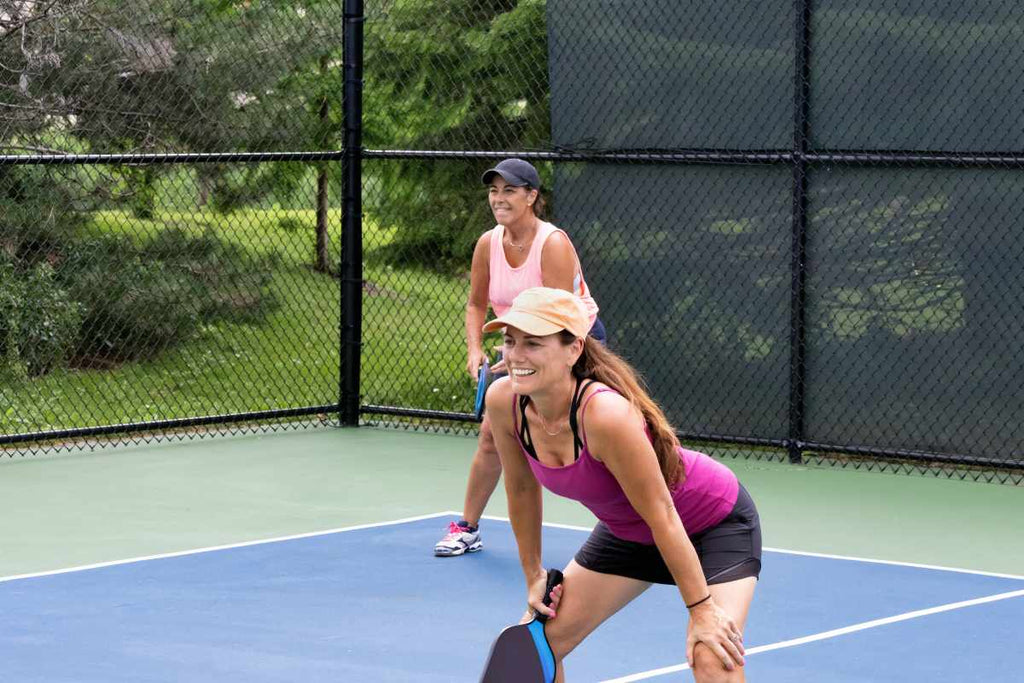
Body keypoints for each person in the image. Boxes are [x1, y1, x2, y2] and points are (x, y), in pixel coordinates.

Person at [482, 287, 761, 682]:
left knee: (712, 653)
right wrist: (533, 574)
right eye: (510, 342)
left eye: (533, 343)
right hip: (631, 533)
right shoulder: (504, 402)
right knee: (534, 648)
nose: (516, 356)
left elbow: (663, 513)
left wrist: (701, 611)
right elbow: (522, 490)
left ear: (573, 349)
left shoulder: (604, 415)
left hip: (711, 524)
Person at [434, 159, 607, 557]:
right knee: (492, 435)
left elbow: (559, 316)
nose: (499, 199)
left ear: (532, 197)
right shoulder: (487, 244)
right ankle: (468, 527)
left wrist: (517, 354)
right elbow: (477, 304)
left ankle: (634, 521)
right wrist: (476, 348)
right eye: (494, 191)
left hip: (575, 341)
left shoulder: (553, 244)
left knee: (599, 432)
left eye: (509, 190)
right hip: (518, 343)